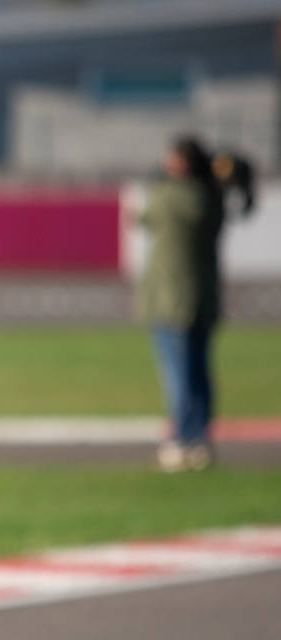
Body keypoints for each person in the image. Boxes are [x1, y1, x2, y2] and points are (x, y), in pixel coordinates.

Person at [135, 135, 225, 472]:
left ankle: (182, 439)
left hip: (170, 300)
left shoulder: (170, 196)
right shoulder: (208, 197)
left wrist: (159, 178)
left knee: (178, 374)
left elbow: (144, 214)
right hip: (203, 299)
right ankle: (199, 438)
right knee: (199, 372)